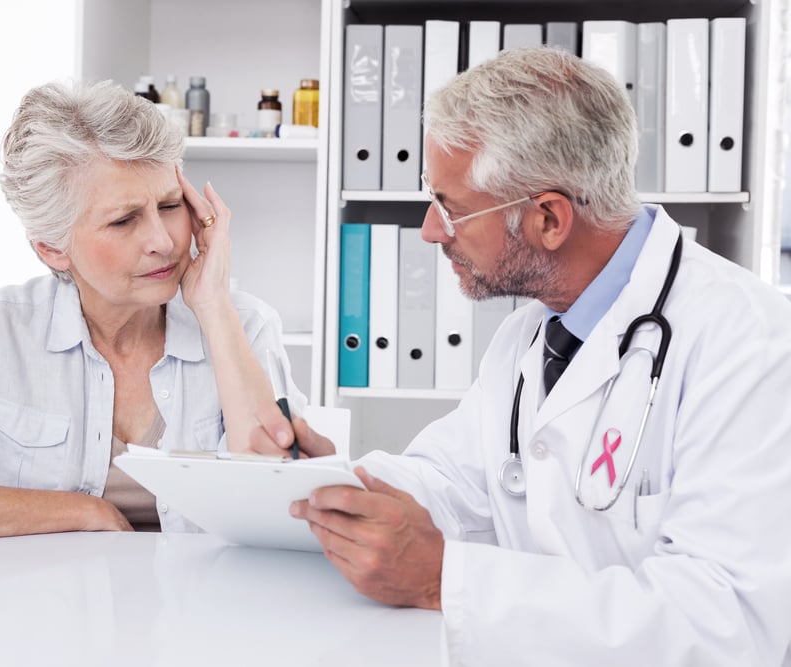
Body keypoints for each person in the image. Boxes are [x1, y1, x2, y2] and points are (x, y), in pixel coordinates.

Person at [255, 47, 791, 665]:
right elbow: (452, 480)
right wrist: (332, 485)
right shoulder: (535, 331)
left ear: (548, 219)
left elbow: (726, 624)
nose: (431, 231)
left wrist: (444, 579)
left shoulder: (748, 344)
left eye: (451, 208)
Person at [0, 79, 322, 544]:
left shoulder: (244, 324)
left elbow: (282, 502)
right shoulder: (3, 328)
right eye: (124, 220)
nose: (163, 241)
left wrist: (214, 305)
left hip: (206, 609)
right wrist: (81, 512)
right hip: (51, 610)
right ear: (53, 248)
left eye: (170, 205)